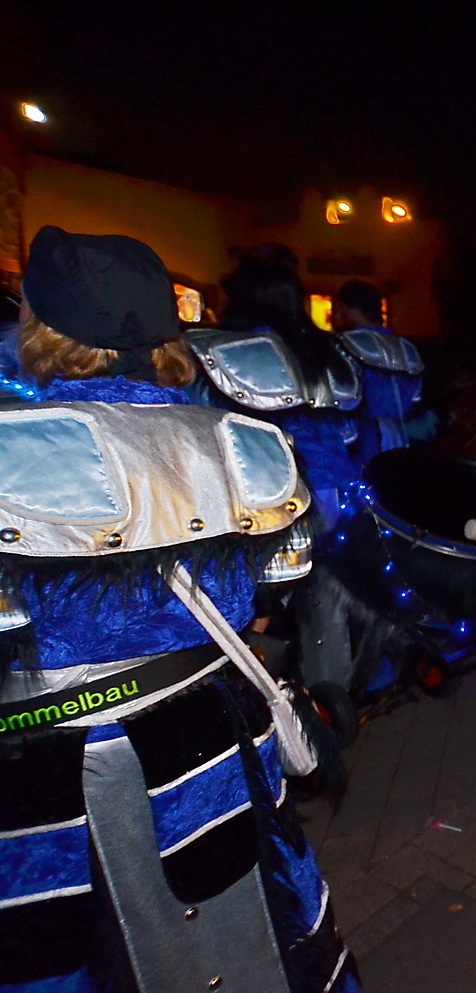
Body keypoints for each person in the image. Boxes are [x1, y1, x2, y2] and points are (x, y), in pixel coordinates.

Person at [0, 227, 356, 992]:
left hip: (50, 781)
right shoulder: (241, 443)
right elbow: (268, 598)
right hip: (217, 743)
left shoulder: (11, 452)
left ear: (46, 327)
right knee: (253, 934)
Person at [220, 247, 362, 530]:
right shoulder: (326, 347)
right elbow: (348, 428)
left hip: (264, 489)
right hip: (334, 484)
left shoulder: (231, 351)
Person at [334, 279, 424, 464]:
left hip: (359, 442)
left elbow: (339, 398)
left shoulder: (342, 345)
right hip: (402, 439)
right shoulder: (407, 349)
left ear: (352, 309)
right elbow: (416, 400)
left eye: (341, 306)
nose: (338, 312)